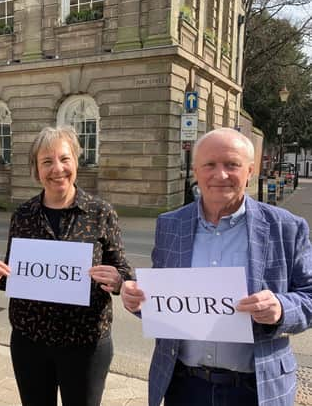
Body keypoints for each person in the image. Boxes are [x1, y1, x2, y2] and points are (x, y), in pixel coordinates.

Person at [121, 127, 312, 406]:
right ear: (196, 171)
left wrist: (282, 308)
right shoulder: (170, 224)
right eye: (209, 164)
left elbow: (309, 296)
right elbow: (162, 300)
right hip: (184, 385)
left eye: (232, 165)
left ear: (249, 171)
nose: (220, 175)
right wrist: (137, 299)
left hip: (256, 389)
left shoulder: (286, 227)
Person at [0, 126, 132, 406]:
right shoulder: (23, 214)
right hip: (30, 342)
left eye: (64, 159)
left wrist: (119, 279)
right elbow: (15, 274)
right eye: (47, 161)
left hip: (86, 343)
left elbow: (124, 270)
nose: (57, 169)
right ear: (36, 169)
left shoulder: (101, 212)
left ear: (76, 161)